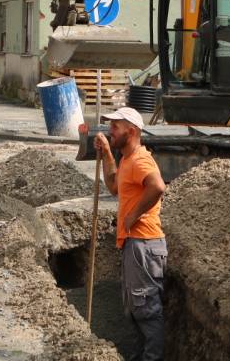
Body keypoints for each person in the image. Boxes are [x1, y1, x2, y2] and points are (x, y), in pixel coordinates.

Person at [93, 107, 167, 361]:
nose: (110, 131)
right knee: (136, 310)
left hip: (144, 244)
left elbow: (157, 186)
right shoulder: (126, 159)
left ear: (132, 131)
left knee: (146, 310)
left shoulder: (140, 160)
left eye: (115, 127)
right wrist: (106, 155)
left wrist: (132, 217)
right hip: (134, 244)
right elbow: (114, 186)